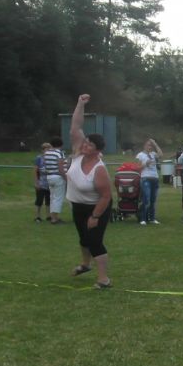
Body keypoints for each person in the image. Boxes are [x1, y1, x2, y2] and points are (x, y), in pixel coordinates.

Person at [66, 95, 113, 289]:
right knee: (83, 238)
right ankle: (85, 264)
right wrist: (80, 104)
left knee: (94, 241)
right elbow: (75, 127)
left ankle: (104, 279)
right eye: (85, 143)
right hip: (78, 205)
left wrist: (95, 216)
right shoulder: (78, 153)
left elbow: (106, 196)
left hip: (97, 207)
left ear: (97, 150)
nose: (85, 146)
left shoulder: (99, 169)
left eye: (89, 145)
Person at [135, 137, 163, 225]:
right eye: (148, 145)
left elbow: (161, 155)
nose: (150, 147)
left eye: (151, 145)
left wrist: (155, 144)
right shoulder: (140, 155)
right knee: (146, 199)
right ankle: (143, 219)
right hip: (145, 178)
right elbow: (137, 168)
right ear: (144, 146)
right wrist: (145, 164)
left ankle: (152, 218)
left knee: (153, 200)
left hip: (155, 178)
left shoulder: (153, 154)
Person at [42, 138, 67, 224]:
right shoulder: (59, 153)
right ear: (61, 144)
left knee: (52, 197)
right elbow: (61, 168)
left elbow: (45, 165)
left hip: (49, 176)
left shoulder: (46, 153)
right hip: (58, 177)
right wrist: (65, 177)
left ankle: (53, 216)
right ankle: (54, 218)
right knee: (58, 198)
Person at [32, 140, 51, 222]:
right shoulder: (39, 158)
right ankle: (37, 216)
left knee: (49, 200)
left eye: (49, 149)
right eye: (46, 149)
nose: (48, 151)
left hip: (50, 183)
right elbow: (35, 171)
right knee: (39, 200)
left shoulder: (52, 159)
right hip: (41, 183)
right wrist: (36, 183)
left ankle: (48, 216)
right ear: (43, 150)